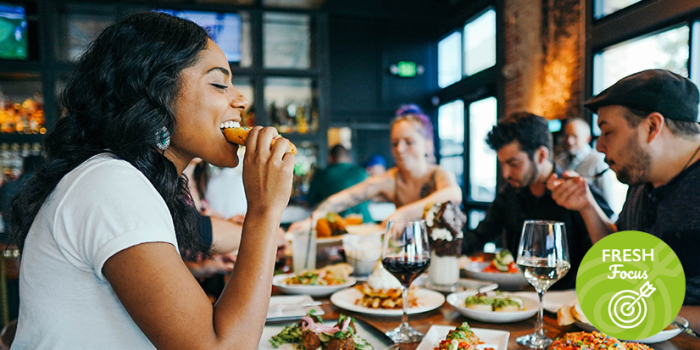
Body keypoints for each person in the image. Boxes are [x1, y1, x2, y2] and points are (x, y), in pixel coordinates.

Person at [7, 12, 294, 349]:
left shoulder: (126, 180)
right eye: (219, 83)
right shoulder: (111, 184)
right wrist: (264, 210)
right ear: (156, 92)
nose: (241, 100)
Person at [547, 69, 700, 331]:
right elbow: (622, 258)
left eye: (607, 132)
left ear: (652, 127)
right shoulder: (642, 179)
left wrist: (639, 311)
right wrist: (587, 205)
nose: (598, 146)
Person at [462, 112, 613, 290]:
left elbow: (607, 257)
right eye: (502, 164)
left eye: (514, 164)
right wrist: (443, 242)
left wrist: (588, 208)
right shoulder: (510, 195)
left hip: (567, 304)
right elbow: (479, 237)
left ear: (541, 155)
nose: (505, 174)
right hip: (521, 299)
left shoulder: (578, 193)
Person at [287, 104, 462, 232]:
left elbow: (453, 195)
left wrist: (402, 214)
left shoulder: (438, 174)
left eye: (409, 142)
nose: (399, 149)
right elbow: (347, 197)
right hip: (410, 258)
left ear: (428, 146)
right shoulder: (391, 179)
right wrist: (314, 218)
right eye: (395, 143)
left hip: (444, 260)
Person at [555, 118, 616, 212]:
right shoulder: (560, 161)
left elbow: (607, 199)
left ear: (587, 138)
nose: (569, 141)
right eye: (567, 136)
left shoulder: (597, 160)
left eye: (575, 136)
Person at [306, 144, 372, 222]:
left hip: (337, 225)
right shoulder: (362, 172)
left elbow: (309, 203)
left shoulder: (321, 174)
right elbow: (370, 199)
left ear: (330, 158)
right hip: (365, 223)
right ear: (348, 158)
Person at [0, 155, 44, 238]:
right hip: (38, 239)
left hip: (9, 238)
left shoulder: (8, 187)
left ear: (23, 168)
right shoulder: (46, 188)